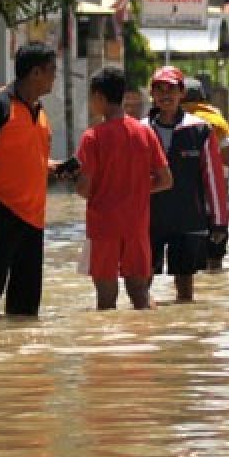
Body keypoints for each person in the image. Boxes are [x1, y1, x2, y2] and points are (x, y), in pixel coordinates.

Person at [0, 42, 60, 316]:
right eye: (51, 71)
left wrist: (56, 168)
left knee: (26, 306)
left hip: (34, 220)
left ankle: (19, 357)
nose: (54, 76)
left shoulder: (41, 112)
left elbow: (33, 160)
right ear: (35, 73)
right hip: (0, 213)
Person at [75, 67, 172, 310]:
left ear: (98, 98)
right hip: (136, 226)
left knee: (106, 301)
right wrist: (135, 187)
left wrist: (72, 179)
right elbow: (166, 180)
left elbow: (84, 189)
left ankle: (110, 347)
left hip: (103, 227)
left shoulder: (92, 137)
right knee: (140, 294)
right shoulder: (144, 132)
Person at [145, 66, 229, 302]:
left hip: (188, 218)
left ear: (181, 93)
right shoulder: (141, 129)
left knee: (185, 287)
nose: (165, 95)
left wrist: (219, 222)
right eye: (159, 89)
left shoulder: (200, 129)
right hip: (149, 218)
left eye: (171, 89)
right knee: (142, 282)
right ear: (152, 94)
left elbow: (212, 178)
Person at [181, 77, 229, 270]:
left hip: (185, 206)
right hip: (216, 207)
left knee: (187, 267)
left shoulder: (172, 123)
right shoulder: (215, 123)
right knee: (214, 263)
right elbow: (227, 158)